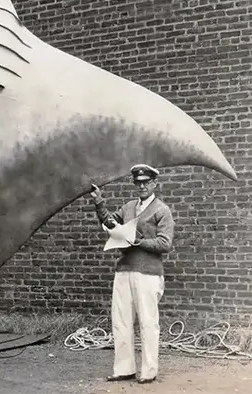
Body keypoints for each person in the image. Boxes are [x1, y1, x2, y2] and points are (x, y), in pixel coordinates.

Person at [89, 164, 175, 385]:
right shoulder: (128, 207)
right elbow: (111, 223)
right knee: (121, 321)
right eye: (138, 182)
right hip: (124, 270)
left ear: (154, 183)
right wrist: (99, 202)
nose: (142, 186)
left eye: (146, 182)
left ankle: (148, 371)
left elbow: (165, 243)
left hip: (148, 273)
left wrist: (139, 241)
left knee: (147, 322)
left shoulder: (161, 210)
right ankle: (124, 368)